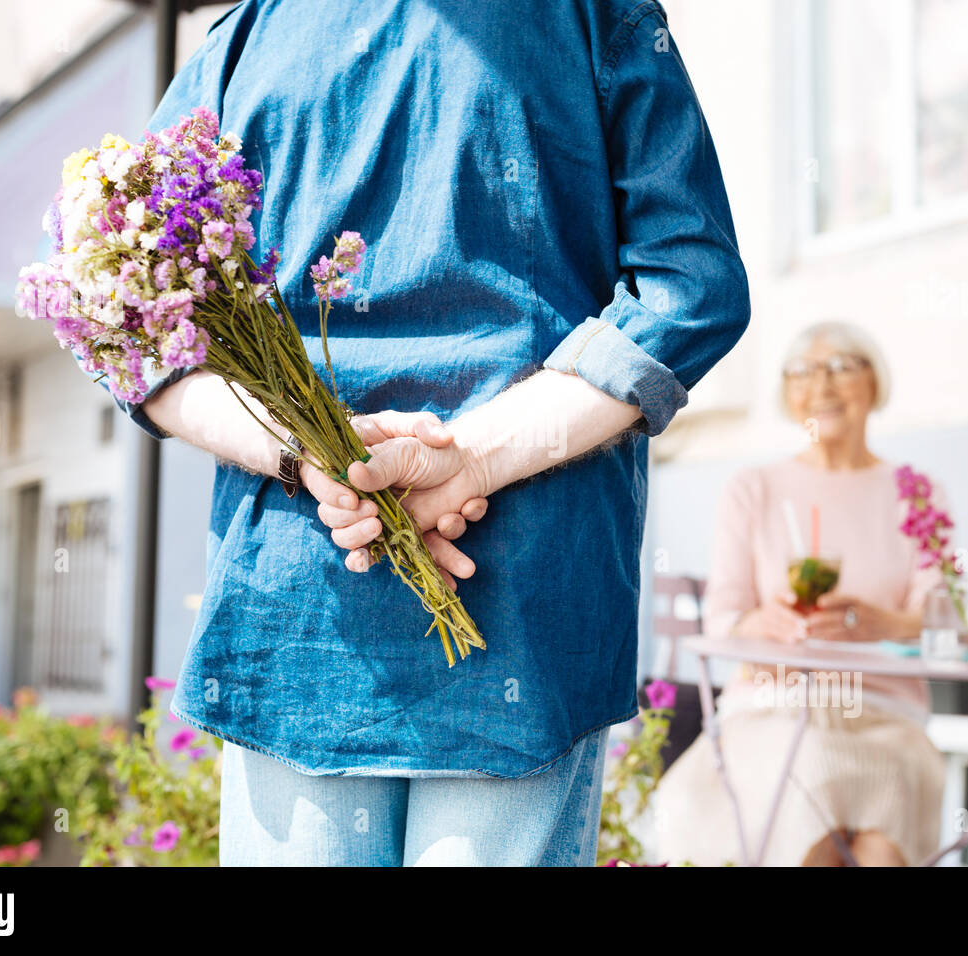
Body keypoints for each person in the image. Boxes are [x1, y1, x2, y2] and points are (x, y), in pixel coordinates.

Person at [106, 0, 750, 866]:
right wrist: (466, 461)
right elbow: (690, 286)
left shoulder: (245, 38)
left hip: (300, 590)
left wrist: (311, 455)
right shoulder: (594, 14)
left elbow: (129, 321)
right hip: (522, 585)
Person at [649, 321, 947, 867]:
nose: (821, 385)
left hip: (882, 712)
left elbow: (943, 617)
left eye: (840, 367)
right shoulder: (754, 489)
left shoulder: (914, 493)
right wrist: (764, 623)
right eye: (801, 372)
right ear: (786, 396)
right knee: (805, 771)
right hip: (772, 708)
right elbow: (724, 619)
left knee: (881, 840)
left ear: (874, 383)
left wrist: (876, 620)